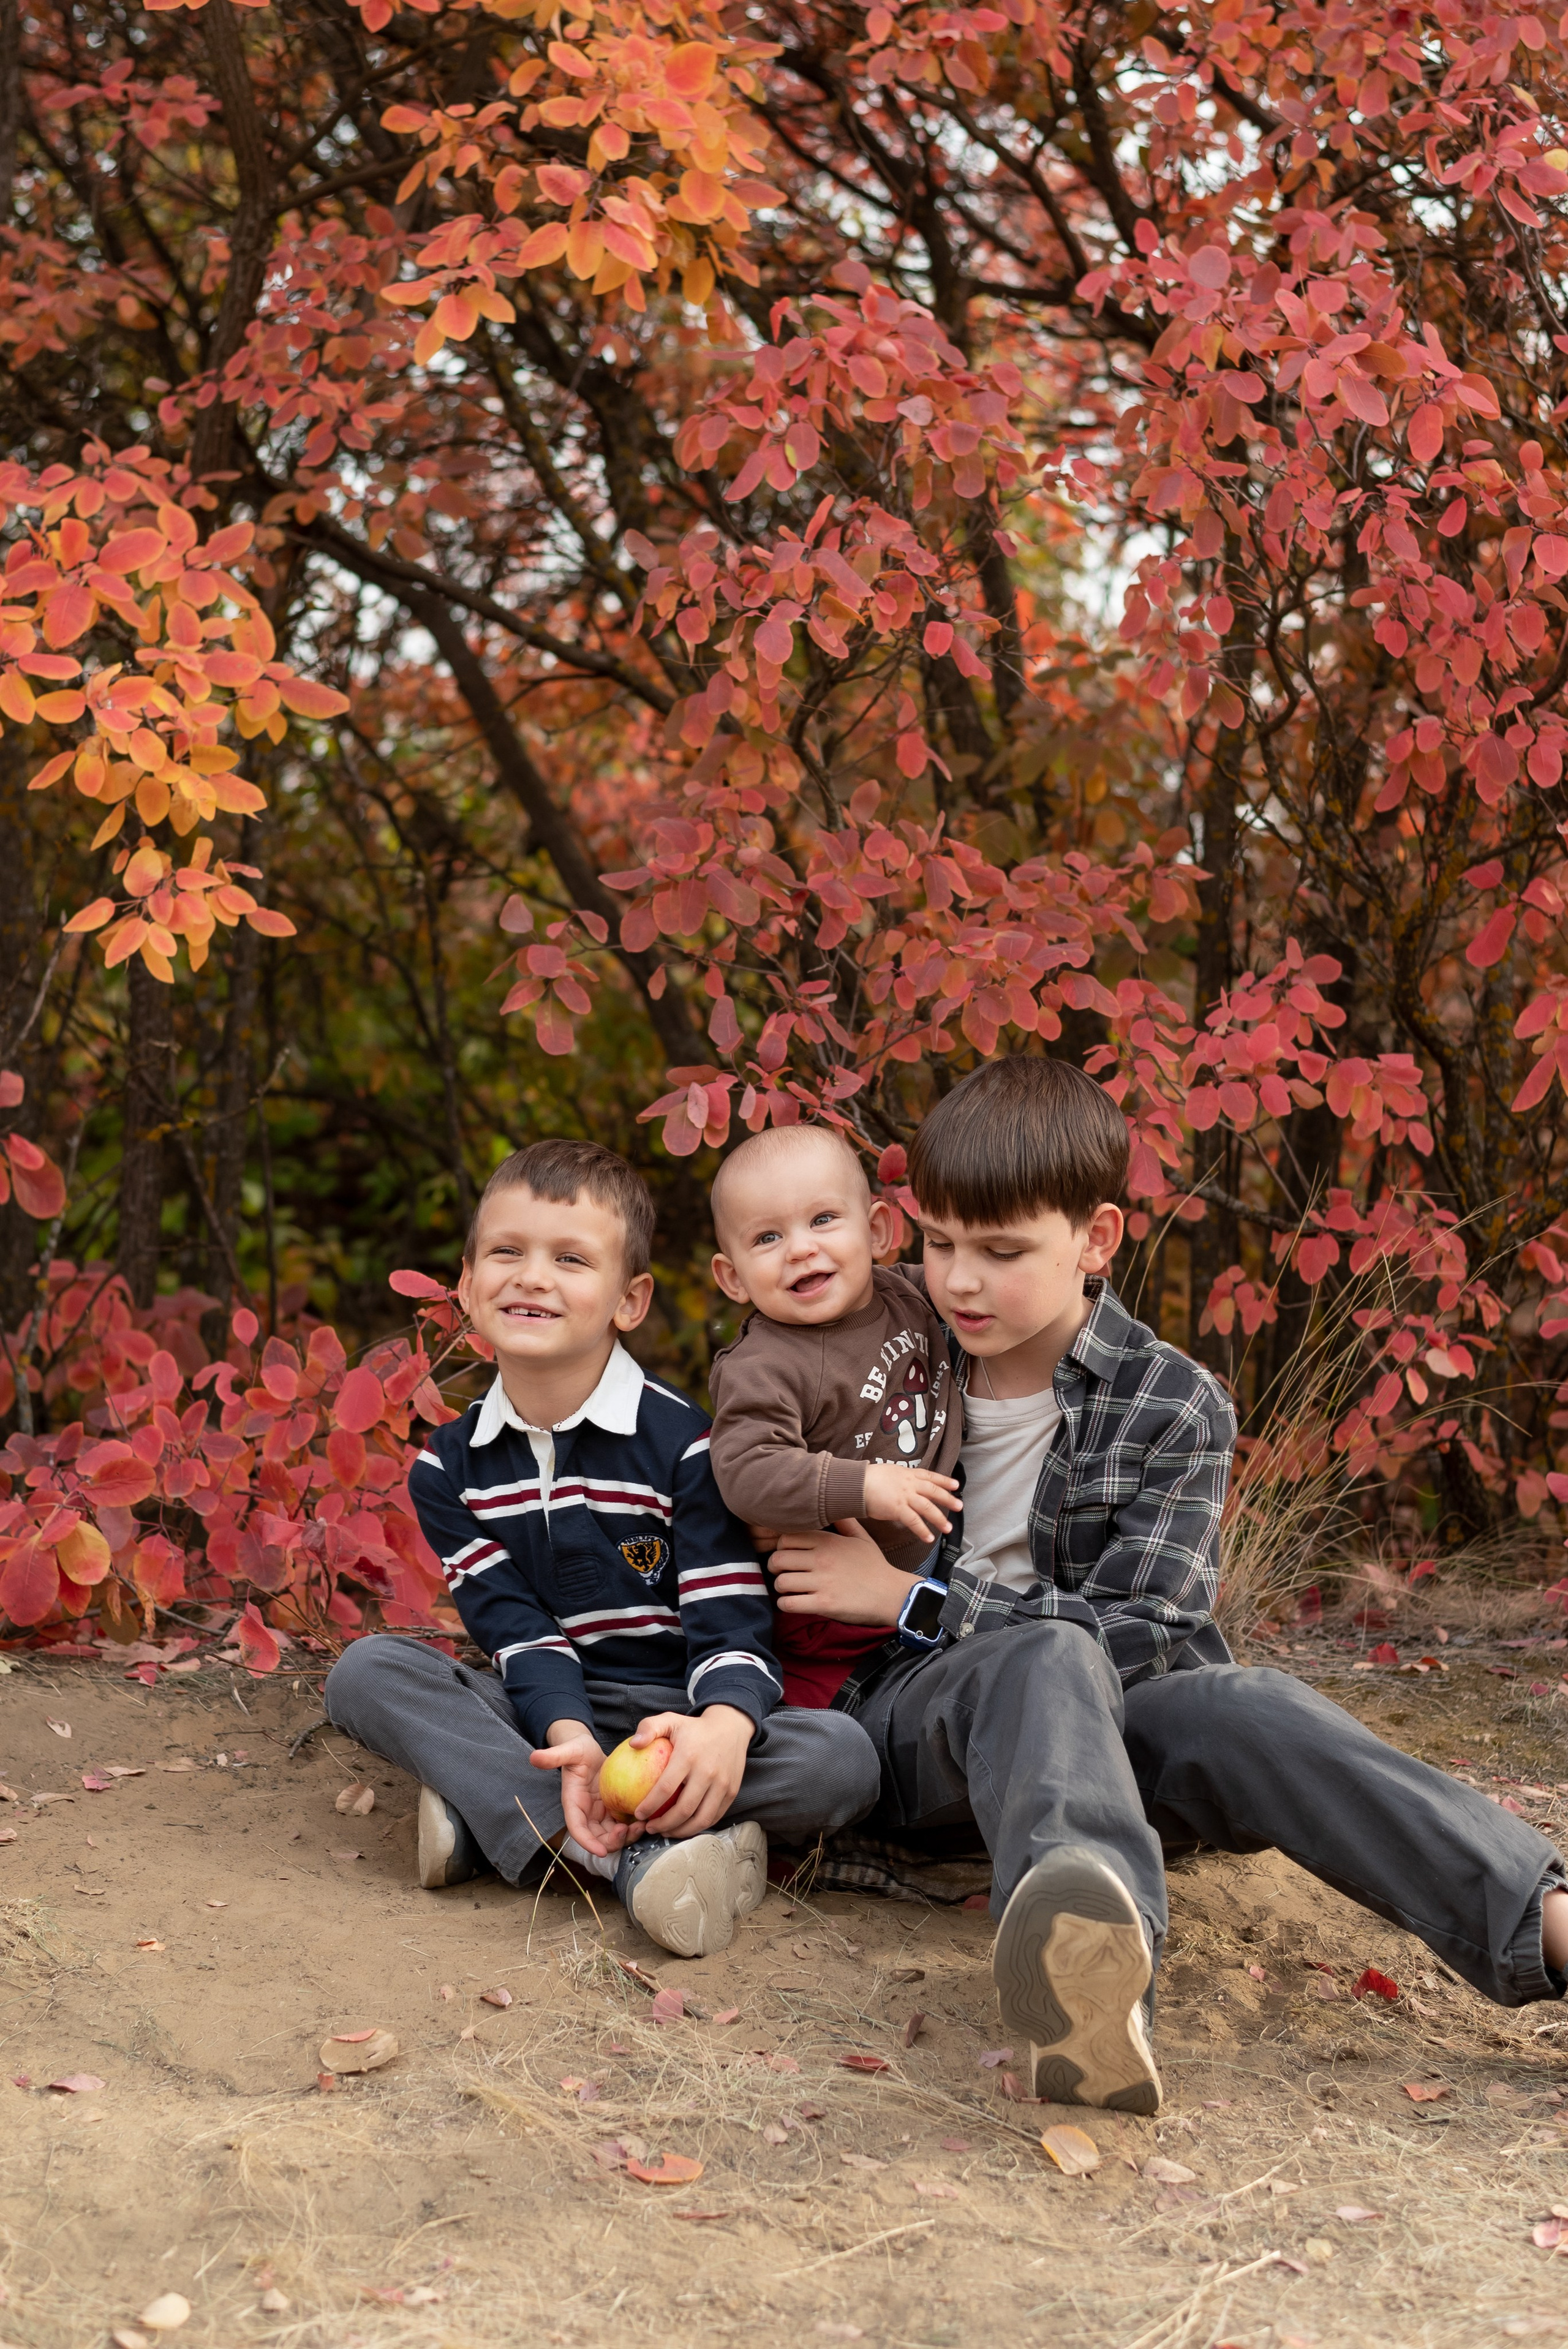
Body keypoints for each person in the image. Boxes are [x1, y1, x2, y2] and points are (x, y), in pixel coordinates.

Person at [763, 1057, 1568, 2115]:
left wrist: (914, 1596)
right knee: (1043, 1655)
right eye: (941, 1242)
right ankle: (1091, 1991)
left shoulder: (1173, 1401)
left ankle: (1542, 1924)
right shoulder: (886, 1356)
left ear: (1096, 1240)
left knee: (1248, 1702)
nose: (958, 1281)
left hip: (1113, 1732)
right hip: (929, 1735)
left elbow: (1145, 1627)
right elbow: (741, 1440)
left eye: (1002, 1252)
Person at [322, 1139, 880, 1959]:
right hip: (546, 1714)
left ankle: (502, 1817)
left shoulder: (688, 1443)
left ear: (630, 1298)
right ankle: (627, 1853)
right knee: (365, 1671)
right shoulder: (450, 1465)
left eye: (571, 1258)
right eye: (507, 1251)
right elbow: (516, 1628)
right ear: (469, 1285)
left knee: (842, 1758)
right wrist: (571, 1735)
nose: (533, 1275)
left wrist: (721, 1727)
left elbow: (732, 1618)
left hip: (677, 1714)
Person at [706, 1122, 963, 1705]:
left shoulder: (909, 1294)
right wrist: (864, 1484)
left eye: (823, 1220)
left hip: (926, 1561)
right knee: (826, 1722)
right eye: (767, 1238)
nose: (800, 1248)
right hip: (822, 1602)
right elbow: (747, 1470)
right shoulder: (764, 1363)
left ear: (876, 1231)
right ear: (732, 1276)